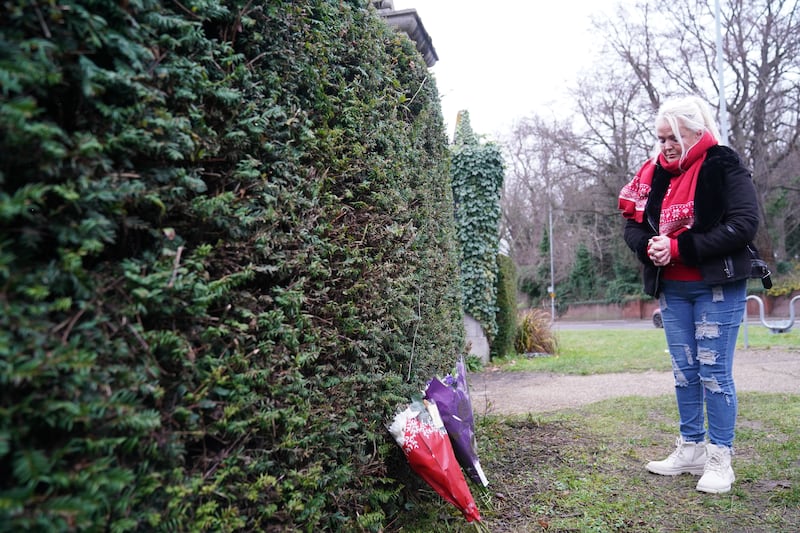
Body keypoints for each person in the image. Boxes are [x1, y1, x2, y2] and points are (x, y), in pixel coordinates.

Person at [618, 95, 760, 494]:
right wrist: (649, 246)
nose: (666, 146)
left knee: (714, 372)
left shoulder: (723, 163)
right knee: (684, 373)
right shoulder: (654, 174)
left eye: (674, 137)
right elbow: (633, 224)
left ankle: (720, 459)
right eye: (661, 138)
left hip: (717, 285)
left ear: (697, 132)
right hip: (673, 289)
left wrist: (680, 248)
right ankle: (691, 448)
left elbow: (744, 224)